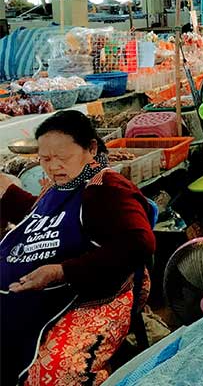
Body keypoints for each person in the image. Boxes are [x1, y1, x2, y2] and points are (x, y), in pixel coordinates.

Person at [1, 110, 155, 385]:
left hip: (98, 296)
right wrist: (6, 192)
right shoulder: (57, 186)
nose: (53, 167)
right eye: (45, 159)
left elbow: (139, 243)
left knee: (53, 373)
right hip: (45, 291)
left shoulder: (109, 188)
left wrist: (61, 271)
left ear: (91, 149)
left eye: (63, 157)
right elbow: (43, 216)